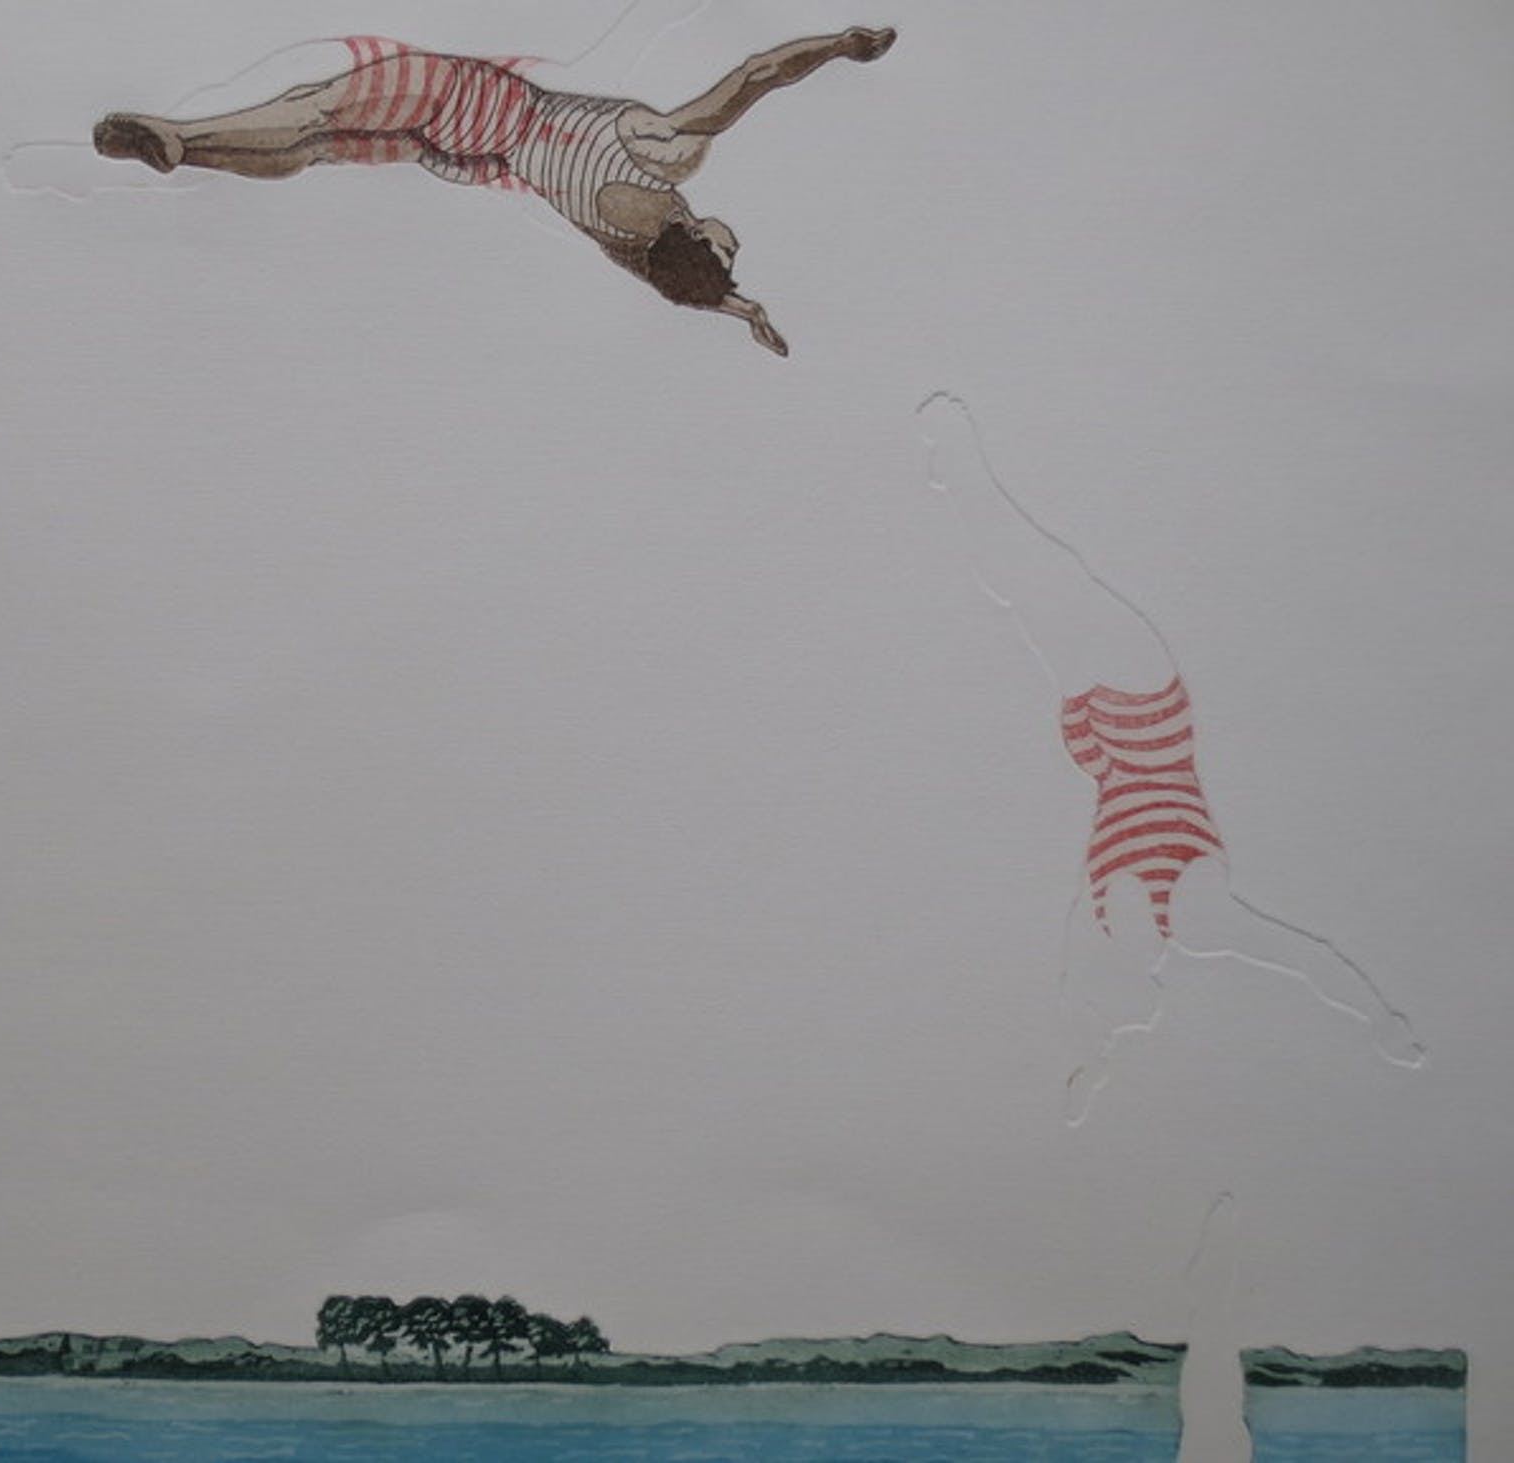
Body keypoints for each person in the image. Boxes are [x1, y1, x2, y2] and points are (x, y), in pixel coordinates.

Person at [915, 394, 1426, 1123]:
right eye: (1128, 993)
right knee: (1045, 587)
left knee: (1028, 593)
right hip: (1147, 723)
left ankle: (963, 474)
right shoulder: (1195, 915)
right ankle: (962, 461)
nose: (1114, 983)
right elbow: (1305, 961)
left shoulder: (1096, 914)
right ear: (1147, 972)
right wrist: (1379, 1017)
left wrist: (1089, 1067)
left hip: (1097, 750)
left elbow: (1087, 1023)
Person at [92, 27, 896, 355]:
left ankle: (184, 134)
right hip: (465, 160)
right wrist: (743, 310)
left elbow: (758, 74)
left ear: (704, 237)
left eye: (730, 247)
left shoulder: (670, 154)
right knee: (316, 151)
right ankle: (190, 155)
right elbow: (691, 290)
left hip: (477, 104)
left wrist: (843, 46)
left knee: (317, 108)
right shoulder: (629, 249)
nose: (735, 240)